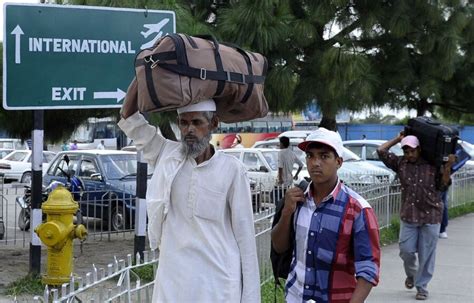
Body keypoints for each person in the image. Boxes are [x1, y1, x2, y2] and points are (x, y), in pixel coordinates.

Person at [118, 99, 260, 302]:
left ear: (214, 124)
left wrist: (250, 298)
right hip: (174, 282)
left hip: (218, 285)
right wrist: (143, 70)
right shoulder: (166, 155)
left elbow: (246, 239)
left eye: (196, 122)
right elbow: (128, 117)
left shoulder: (232, 170)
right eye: (183, 123)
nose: (189, 130)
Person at [271, 128, 381, 303]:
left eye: (324, 156)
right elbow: (279, 247)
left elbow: (368, 268)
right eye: (310, 156)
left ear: (338, 161)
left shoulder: (358, 209)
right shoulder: (297, 200)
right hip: (295, 297)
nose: (315, 163)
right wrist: (286, 213)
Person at [377, 133, 455, 301]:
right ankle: (411, 275)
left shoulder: (433, 165)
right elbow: (381, 150)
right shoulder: (401, 163)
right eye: (406, 151)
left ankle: (422, 287)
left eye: (412, 151)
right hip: (409, 216)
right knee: (406, 251)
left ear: (419, 149)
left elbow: (443, 186)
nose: (409, 155)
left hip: (431, 216)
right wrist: (397, 139)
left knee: (426, 255)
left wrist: (447, 167)